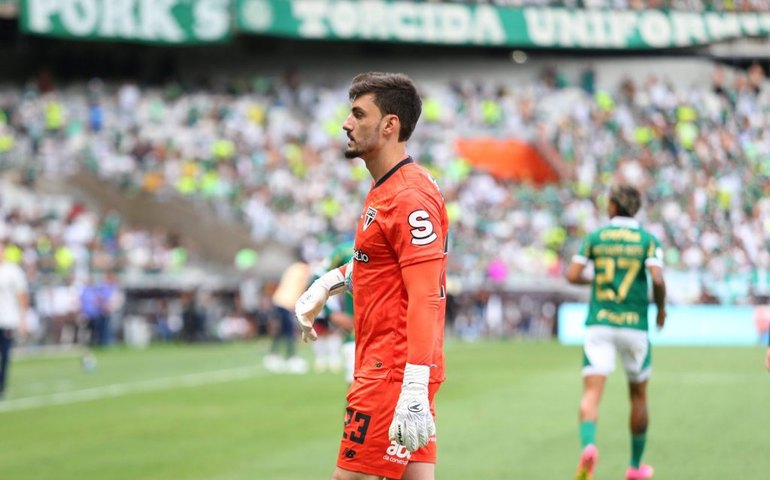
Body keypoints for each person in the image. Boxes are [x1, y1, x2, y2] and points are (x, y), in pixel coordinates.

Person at [295, 72, 448, 480]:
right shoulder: (391, 187)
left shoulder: (407, 197)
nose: (347, 123)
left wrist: (412, 387)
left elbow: (425, 295)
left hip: (391, 372)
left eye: (358, 114)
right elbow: (379, 262)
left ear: (389, 125)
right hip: (398, 368)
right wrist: (327, 284)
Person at [565, 184, 666, 480]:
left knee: (592, 394)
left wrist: (598, 281)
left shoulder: (596, 237)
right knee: (638, 396)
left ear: (612, 207)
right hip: (635, 324)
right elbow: (658, 280)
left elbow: (572, 275)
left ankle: (589, 447)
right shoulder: (647, 240)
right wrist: (660, 309)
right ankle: (634, 467)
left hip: (600, 322)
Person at [0, 242, 30, 400]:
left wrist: (23, 319)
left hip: (7, 320)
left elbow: (22, 295)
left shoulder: (12, 271)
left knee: (4, 355)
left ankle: (2, 386)